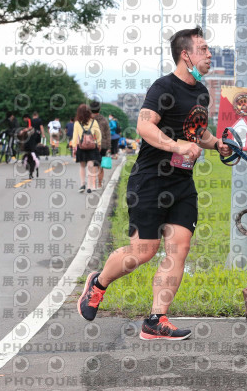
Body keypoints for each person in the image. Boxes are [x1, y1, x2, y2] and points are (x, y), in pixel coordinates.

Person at [77, 26, 232, 340]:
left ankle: (155, 320)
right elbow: (144, 126)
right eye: (203, 49)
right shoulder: (164, 87)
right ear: (186, 55)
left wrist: (217, 144)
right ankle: (98, 283)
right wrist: (177, 146)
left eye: (209, 49)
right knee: (143, 251)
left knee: (179, 248)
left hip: (182, 182)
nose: (209, 54)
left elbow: (197, 132)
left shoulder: (202, 93)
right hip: (149, 180)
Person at [70, 104, 102, 193]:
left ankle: (82, 184)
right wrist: (99, 144)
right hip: (92, 146)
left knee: (82, 166)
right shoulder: (94, 122)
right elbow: (98, 134)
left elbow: (75, 136)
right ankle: (90, 186)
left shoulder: (77, 123)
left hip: (81, 147)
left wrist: (74, 147)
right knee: (90, 166)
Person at [89, 101, 111, 189]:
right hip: (103, 145)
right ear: (99, 109)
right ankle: (99, 184)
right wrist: (109, 146)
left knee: (93, 164)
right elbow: (108, 134)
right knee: (100, 165)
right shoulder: (104, 120)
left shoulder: (88, 120)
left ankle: (93, 184)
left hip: (91, 144)